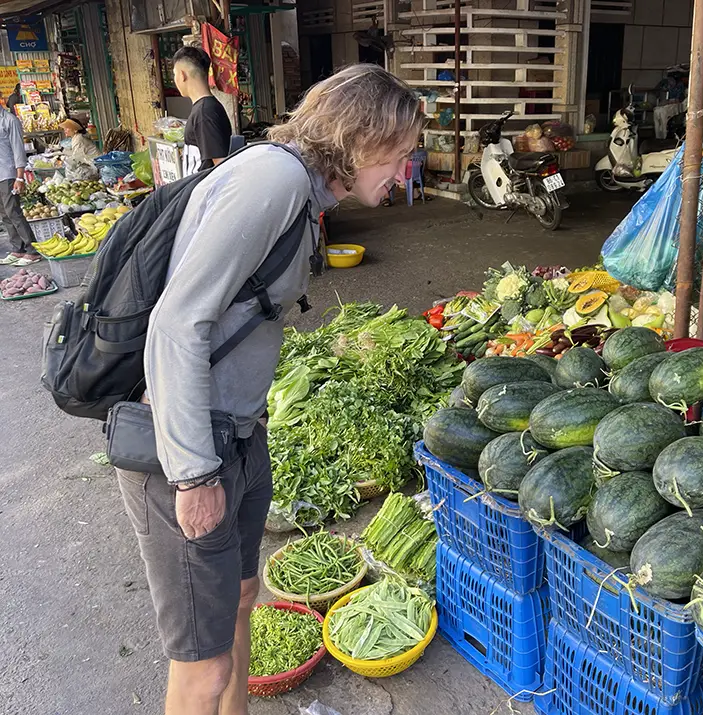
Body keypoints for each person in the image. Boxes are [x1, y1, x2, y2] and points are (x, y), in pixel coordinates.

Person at [114, 64, 423, 715]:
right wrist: (195, 473)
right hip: (189, 447)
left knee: (242, 604)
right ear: (360, 138)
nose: (402, 173)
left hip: (241, 436)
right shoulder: (273, 180)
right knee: (202, 668)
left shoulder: (298, 191)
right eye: (397, 155)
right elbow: (176, 321)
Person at [172, 46, 233, 176]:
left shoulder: (205, 113)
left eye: (174, 74)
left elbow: (221, 166)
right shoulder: (203, 109)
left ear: (182, 75)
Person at [0, 104, 39, 267]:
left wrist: (20, 177)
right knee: (4, 214)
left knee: (13, 211)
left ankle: (32, 250)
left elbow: (18, 149)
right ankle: (18, 248)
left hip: (8, 173)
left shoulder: (9, 120)